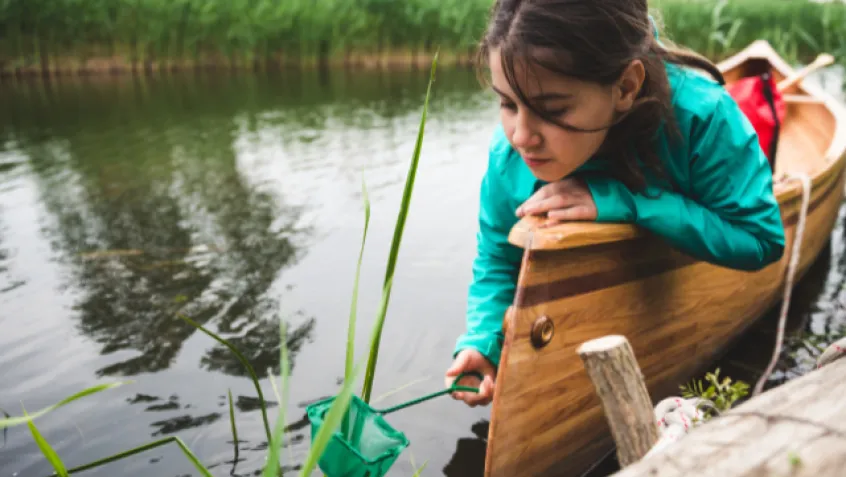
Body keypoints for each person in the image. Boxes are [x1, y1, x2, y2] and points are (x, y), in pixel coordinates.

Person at [444, 0, 787, 407]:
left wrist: (630, 202)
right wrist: (483, 341)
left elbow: (761, 239)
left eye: (551, 110)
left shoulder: (703, 115)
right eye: (507, 104)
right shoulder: (509, 158)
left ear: (626, 87)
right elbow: (499, 258)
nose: (521, 136)